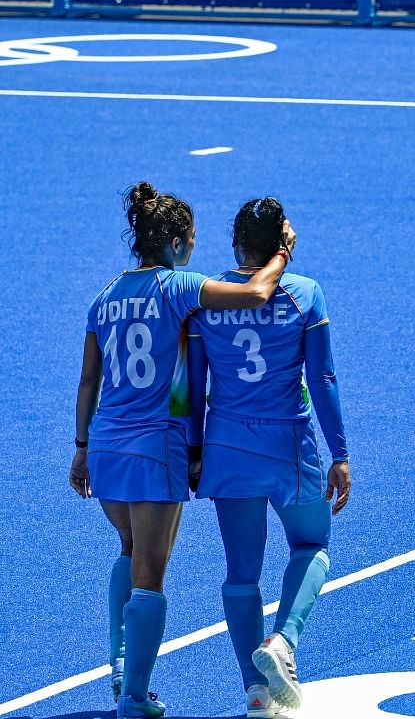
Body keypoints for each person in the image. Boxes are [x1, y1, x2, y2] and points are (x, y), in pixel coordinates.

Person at [69, 181, 293, 718]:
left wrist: (80, 448)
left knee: (128, 549)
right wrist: (283, 251)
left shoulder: (106, 294)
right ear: (173, 242)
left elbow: (88, 381)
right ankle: (133, 697)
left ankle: (122, 662)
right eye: (189, 239)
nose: (193, 249)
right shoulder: (178, 286)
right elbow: (256, 293)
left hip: (105, 446)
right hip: (154, 447)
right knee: (151, 574)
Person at [187, 198, 351, 717]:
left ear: (236, 244)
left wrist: (193, 451)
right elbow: (323, 380)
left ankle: (255, 693)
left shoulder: (205, 299)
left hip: (227, 447)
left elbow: (191, 386)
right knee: (312, 544)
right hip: (288, 446)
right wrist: (341, 454)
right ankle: (283, 643)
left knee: (240, 575)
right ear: (282, 244)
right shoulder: (305, 294)